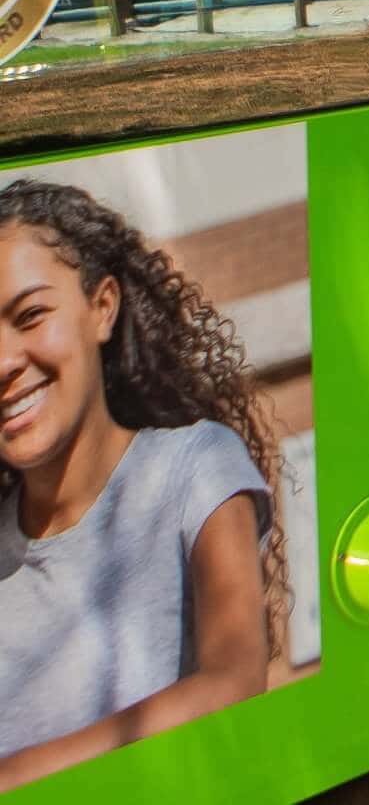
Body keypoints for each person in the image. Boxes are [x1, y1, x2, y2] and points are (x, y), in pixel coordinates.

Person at [0, 180, 282, 787]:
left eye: (30, 316)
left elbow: (234, 682)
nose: (3, 361)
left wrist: (16, 777)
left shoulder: (194, 467)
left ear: (102, 308)